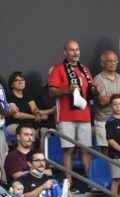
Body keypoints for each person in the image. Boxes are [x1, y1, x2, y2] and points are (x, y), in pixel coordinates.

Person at [48, 40, 95, 184]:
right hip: (66, 117)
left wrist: (95, 91)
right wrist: (66, 90)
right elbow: (51, 92)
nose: (75, 53)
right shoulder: (58, 68)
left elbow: (90, 90)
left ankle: (90, 182)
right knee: (68, 150)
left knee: (86, 150)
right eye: (72, 50)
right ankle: (68, 183)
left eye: (77, 49)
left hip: (84, 116)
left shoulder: (85, 70)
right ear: (65, 52)